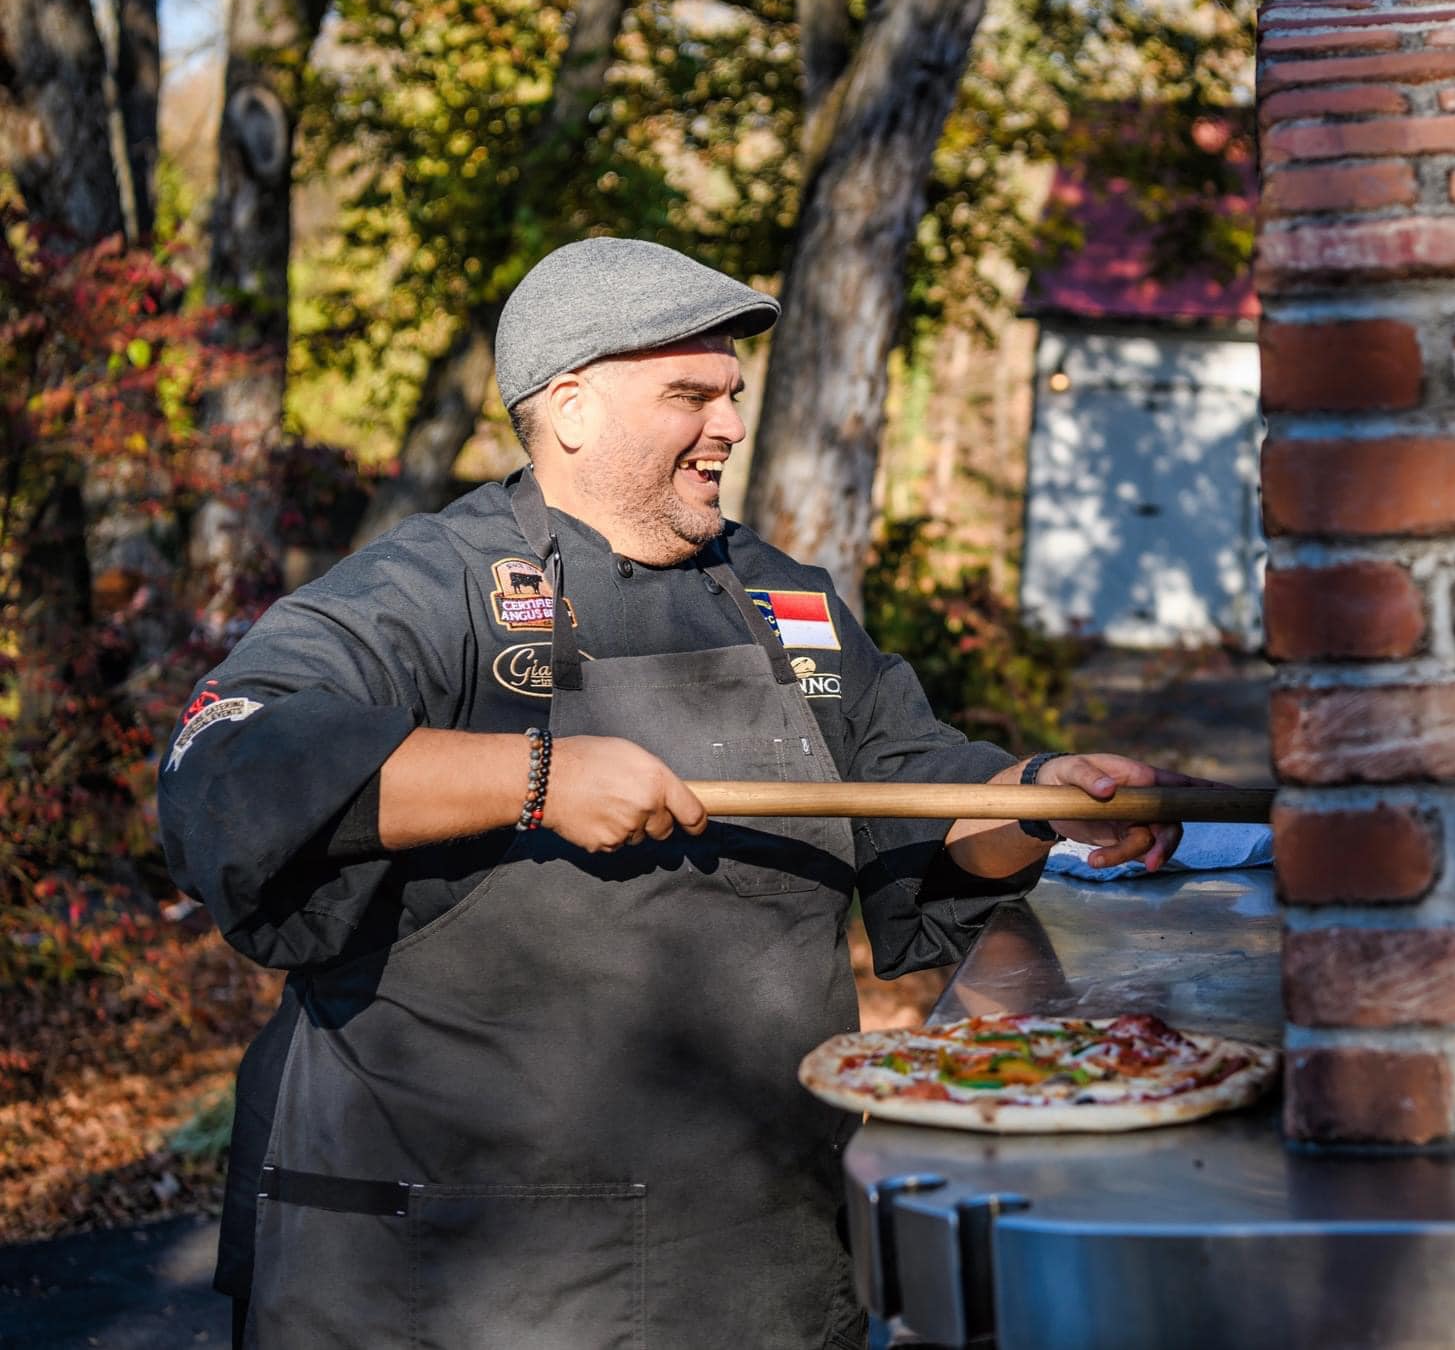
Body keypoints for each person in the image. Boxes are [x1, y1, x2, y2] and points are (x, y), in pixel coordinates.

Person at [156, 237, 1198, 1349]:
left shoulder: (785, 602)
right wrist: (536, 777)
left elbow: (918, 789)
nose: (730, 428)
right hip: (468, 1279)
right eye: (688, 395)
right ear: (569, 409)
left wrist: (1041, 794)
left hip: (761, 1266)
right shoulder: (430, 588)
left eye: (731, 396)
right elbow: (229, 756)